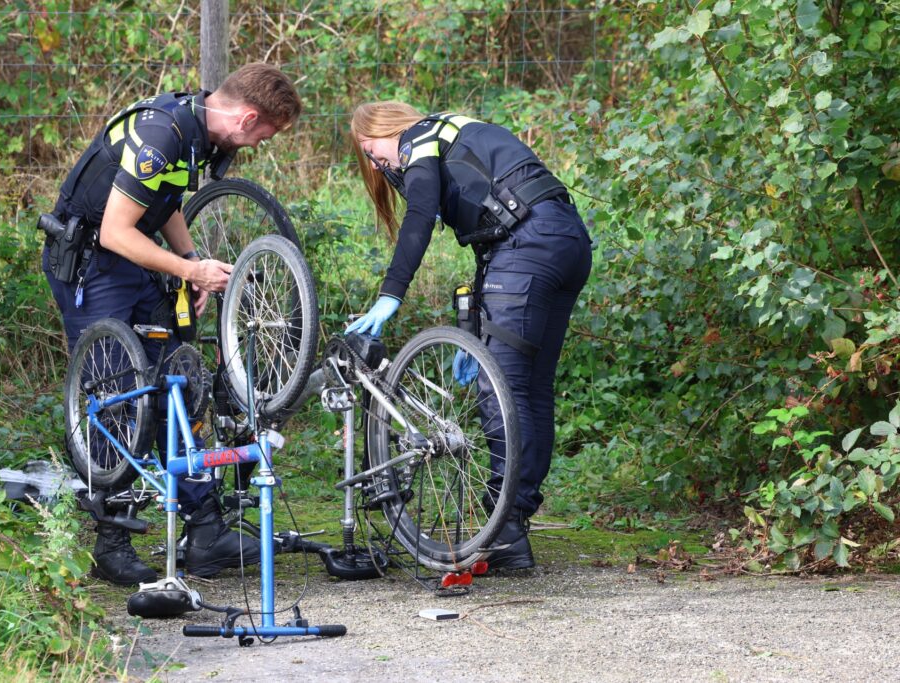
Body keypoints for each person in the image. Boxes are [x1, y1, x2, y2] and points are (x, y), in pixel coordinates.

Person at [42, 63, 302, 585]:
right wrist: (189, 270)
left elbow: (163, 202)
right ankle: (110, 542)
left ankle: (204, 531)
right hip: (93, 260)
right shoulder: (165, 131)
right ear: (246, 116)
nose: (256, 146)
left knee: (177, 382)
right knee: (114, 393)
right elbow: (117, 230)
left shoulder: (199, 129)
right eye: (262, 136)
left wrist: (191, 261)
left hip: (135, 261)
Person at [347, 102, 592, 570]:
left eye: (371, 150)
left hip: (527, 245)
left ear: (386, 131)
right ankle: (514, 517)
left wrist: (390, 294)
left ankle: (505, 531)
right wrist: (474, 328)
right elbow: (495, 234)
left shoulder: (417, 140)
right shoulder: (457, 131)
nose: (378, 163)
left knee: (499, 387)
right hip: (566, 242)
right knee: (531, 387)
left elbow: (419, 215)